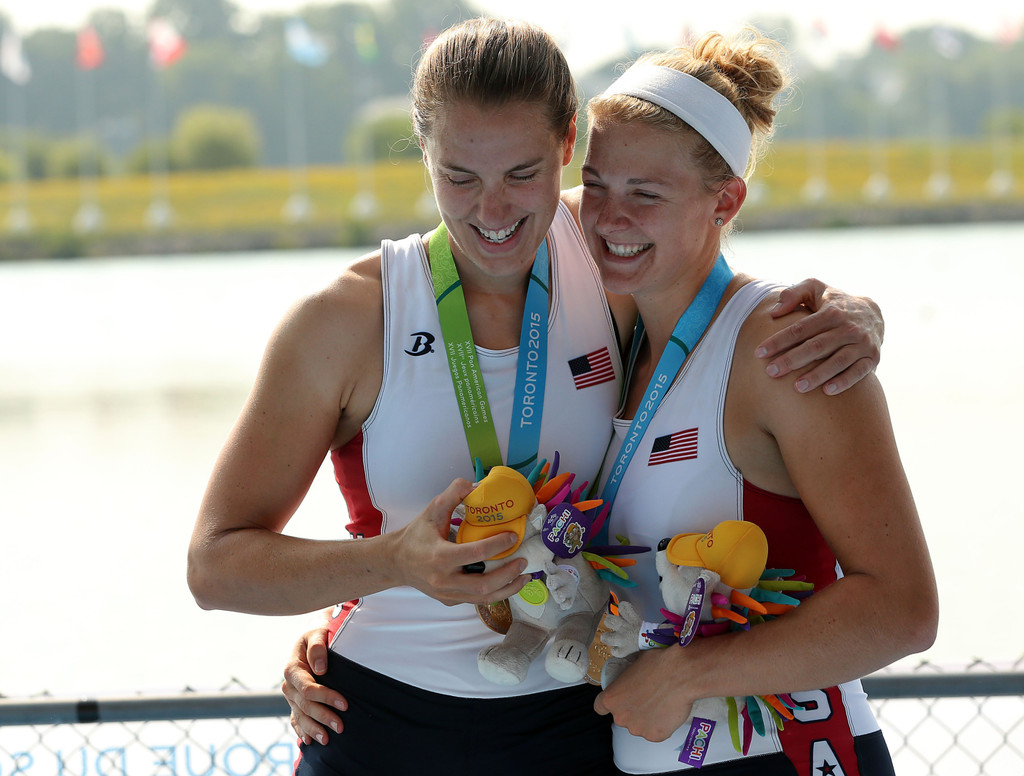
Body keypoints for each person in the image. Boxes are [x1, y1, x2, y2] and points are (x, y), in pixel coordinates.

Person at [189, 18, 885, 775]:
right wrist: (391, 562)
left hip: (576, 715)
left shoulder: (606, 247)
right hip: (380, 717)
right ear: (423, 154)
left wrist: (860, 315)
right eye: (459, 176)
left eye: (523, 175)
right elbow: (215, 565)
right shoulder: (347, 319)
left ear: (566, 147)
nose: (492, 212)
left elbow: (715, 287)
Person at [571, 29, 937, 774]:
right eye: (597, 184)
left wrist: (687, 675)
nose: (610, 218)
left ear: (726, 199)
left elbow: (904, 610)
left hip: (791, 755)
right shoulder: (613, 327)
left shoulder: (785, 346)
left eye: (646, 194)